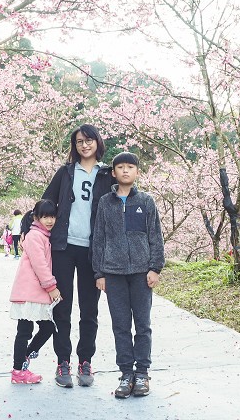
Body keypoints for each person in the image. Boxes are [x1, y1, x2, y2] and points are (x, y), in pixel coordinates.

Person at [41, 124, 112, 388]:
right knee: (62, 305)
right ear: (75, 145)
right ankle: (63, 362)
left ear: (97, 142)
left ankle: (85, 361)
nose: (84, 145)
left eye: (89, 140)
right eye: (80, 141)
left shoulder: (107, 175)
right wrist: (28, 227)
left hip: (92, 251)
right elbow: (46, 202)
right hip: (63, 247)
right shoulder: (65, 172)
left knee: (90, 309)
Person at [92, 151, 165, 399]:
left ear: (137, 172)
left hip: (141, 274)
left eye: (130, 167)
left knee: (142, 325)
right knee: (120, 325)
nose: (125, 171)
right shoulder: (105, 202)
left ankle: (142, 372)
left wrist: (155, 267)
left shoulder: (146, 201)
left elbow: (155, 236)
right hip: (113, 273)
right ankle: (125, 373)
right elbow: (99, 239)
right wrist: (99, 272)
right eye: (120, 167)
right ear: (113, 173)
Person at [9, 199, 62, 384]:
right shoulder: (34, 236)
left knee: (46, 327)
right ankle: (18, 370)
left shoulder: (43, 236)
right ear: (36, 217)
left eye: (52, 216)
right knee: (25, 331)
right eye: (45, 216)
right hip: (28, 291)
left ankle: (23, 360)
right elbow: (40, 264)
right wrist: (52, 288)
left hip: (34, 292)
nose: (49, 220)